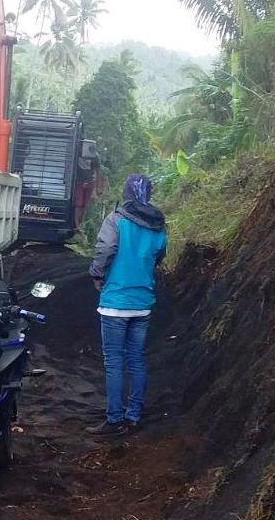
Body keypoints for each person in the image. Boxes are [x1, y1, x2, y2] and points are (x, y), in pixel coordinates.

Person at [86, 173, 167, 436]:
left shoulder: (116, 219)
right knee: (136, 359)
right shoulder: (158, 224)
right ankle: (133, 416)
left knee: (114, 361)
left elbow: (105, 249)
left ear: (126, 192)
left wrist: (97, 275)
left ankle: (114, 419)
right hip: (143, 302)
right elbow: (158, 256)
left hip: (115, 302)